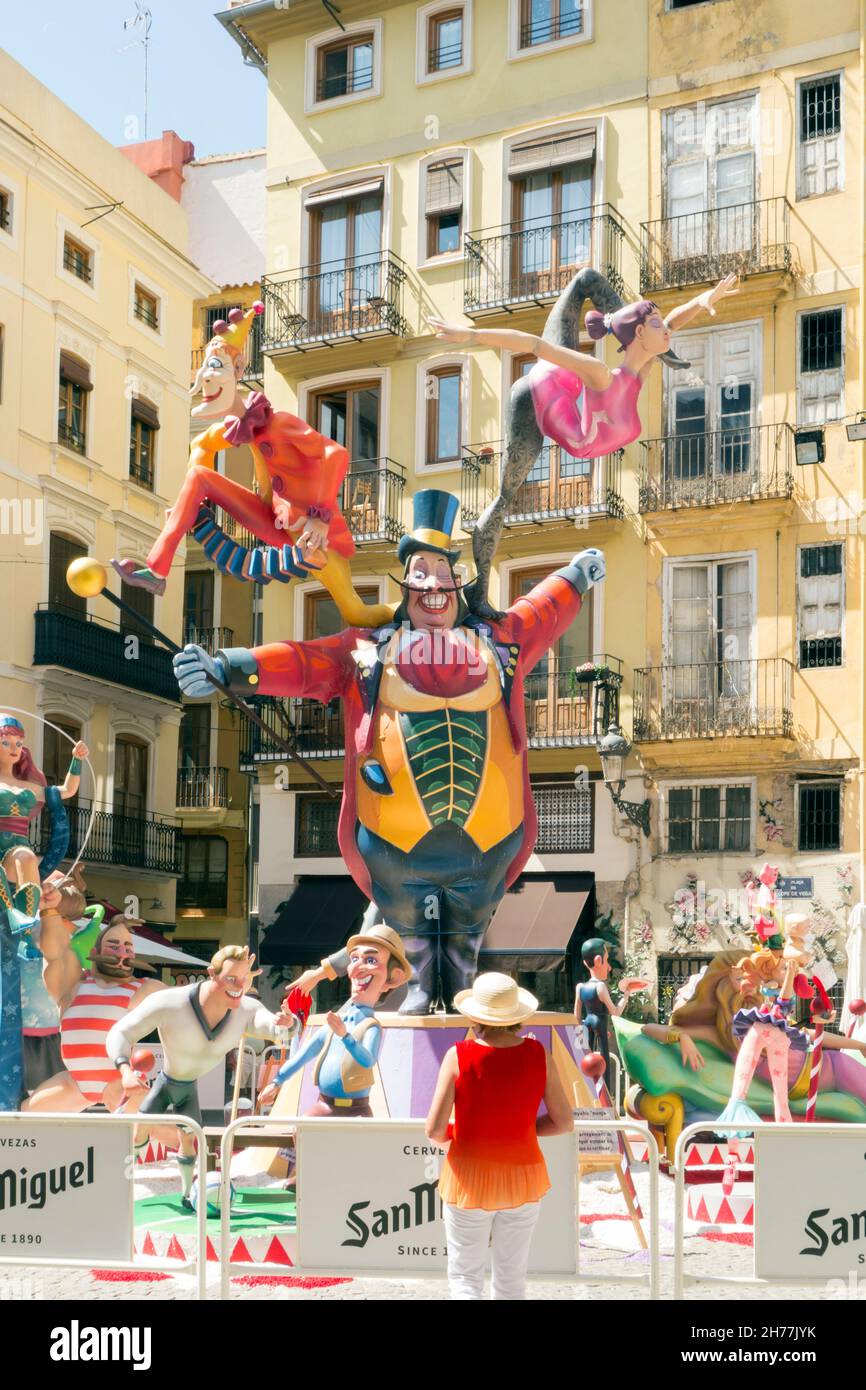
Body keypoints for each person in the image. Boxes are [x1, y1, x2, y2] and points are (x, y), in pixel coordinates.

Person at [173, 488, 605, 1014]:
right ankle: (421, 986)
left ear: (458, 584)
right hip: (393, 837)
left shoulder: (500, 642)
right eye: (420, 577)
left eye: (443, 576)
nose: (433, 590)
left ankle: (464, 985)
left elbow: (539, 611)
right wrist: (230, 667)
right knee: (410, 925)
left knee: (468, 925)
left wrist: (576, 577)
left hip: (489, 833)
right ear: (406, 586)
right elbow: (303, 663)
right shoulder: (367, 648)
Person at [112, 305, 391, 627]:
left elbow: (336, 453)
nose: (205, 378)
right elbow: (200, 445)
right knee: (198, 475)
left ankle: (408, 611)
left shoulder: (280, 423)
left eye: (215, 366)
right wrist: (191, 507)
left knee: (357, 612)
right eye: (204, 369)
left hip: (315, 535)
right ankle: (156, 570)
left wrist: (321, 517)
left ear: (239, 368)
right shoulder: (235, 427)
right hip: (272, 521)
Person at [105, 945, 299, 1204]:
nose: (238, 986)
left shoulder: (245, 1009)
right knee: (139, 1136)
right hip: (166, 1082)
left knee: (188, 1142)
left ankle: (186, 1195)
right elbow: (120, 1032)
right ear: (212, 974)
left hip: (188, 1089)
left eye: (244, 978)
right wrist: (125, 1070)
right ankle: (119, 1191)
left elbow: (274, 1027)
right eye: (231, 978)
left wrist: (288, 1022)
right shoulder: (170, 1002)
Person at [425, 972, 573, 1300]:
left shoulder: (458, 1055)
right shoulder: (539, 1054)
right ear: (515, 1016)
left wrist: (459, 1132)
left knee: (465, 1277)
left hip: (468, 1178)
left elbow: (434, 1130)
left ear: (475, 1016)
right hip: (524, 1176)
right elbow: (564, 1122)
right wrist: (520, 1128)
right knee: (511, 1280)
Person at [259, 924, 409, 1118]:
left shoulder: (369, 1027)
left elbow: (368, 1060)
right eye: (354, 959)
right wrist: (276, 1082)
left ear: (393, 978)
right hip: (324, 1106)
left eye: (370, 960)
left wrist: (345, 1036)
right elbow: (302, 1057)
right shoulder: (334, 1024)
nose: (356, 967)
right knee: (301, 1134)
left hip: (357, 1111)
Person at [24, 916, 165, 1112]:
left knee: (147, 1131)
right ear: (94, 952)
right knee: (25, 1117)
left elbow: (187, 1001)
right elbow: (55, 953)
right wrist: (51, 912)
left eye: (128, 947)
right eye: (113, 946)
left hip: (118, 1083)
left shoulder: (143, 988)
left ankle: (183, 1140)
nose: (122, 953)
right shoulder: (75, 983)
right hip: (75, 1083)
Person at [0, 714, 87, 930]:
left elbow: (67, 790)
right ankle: (12, 914)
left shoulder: (29, 787)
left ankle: (26, 928)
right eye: (6, 742)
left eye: (18, 743)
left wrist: (76, 760)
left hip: (14, 851)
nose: (14, 748)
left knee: (27, 857)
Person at [574, 937, 646, 1087]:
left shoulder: (580, 987)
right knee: (604, 1059)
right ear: (599, 960)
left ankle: (586, 1091)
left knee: (585, 1060)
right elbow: (615, 1012)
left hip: (586, 1024)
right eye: (607, 961)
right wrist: (626, 994)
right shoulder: (600, 987)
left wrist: (582, 1029)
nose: (609, 967)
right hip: (599, 1024)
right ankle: (606, 1094)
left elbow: (576, 1018)